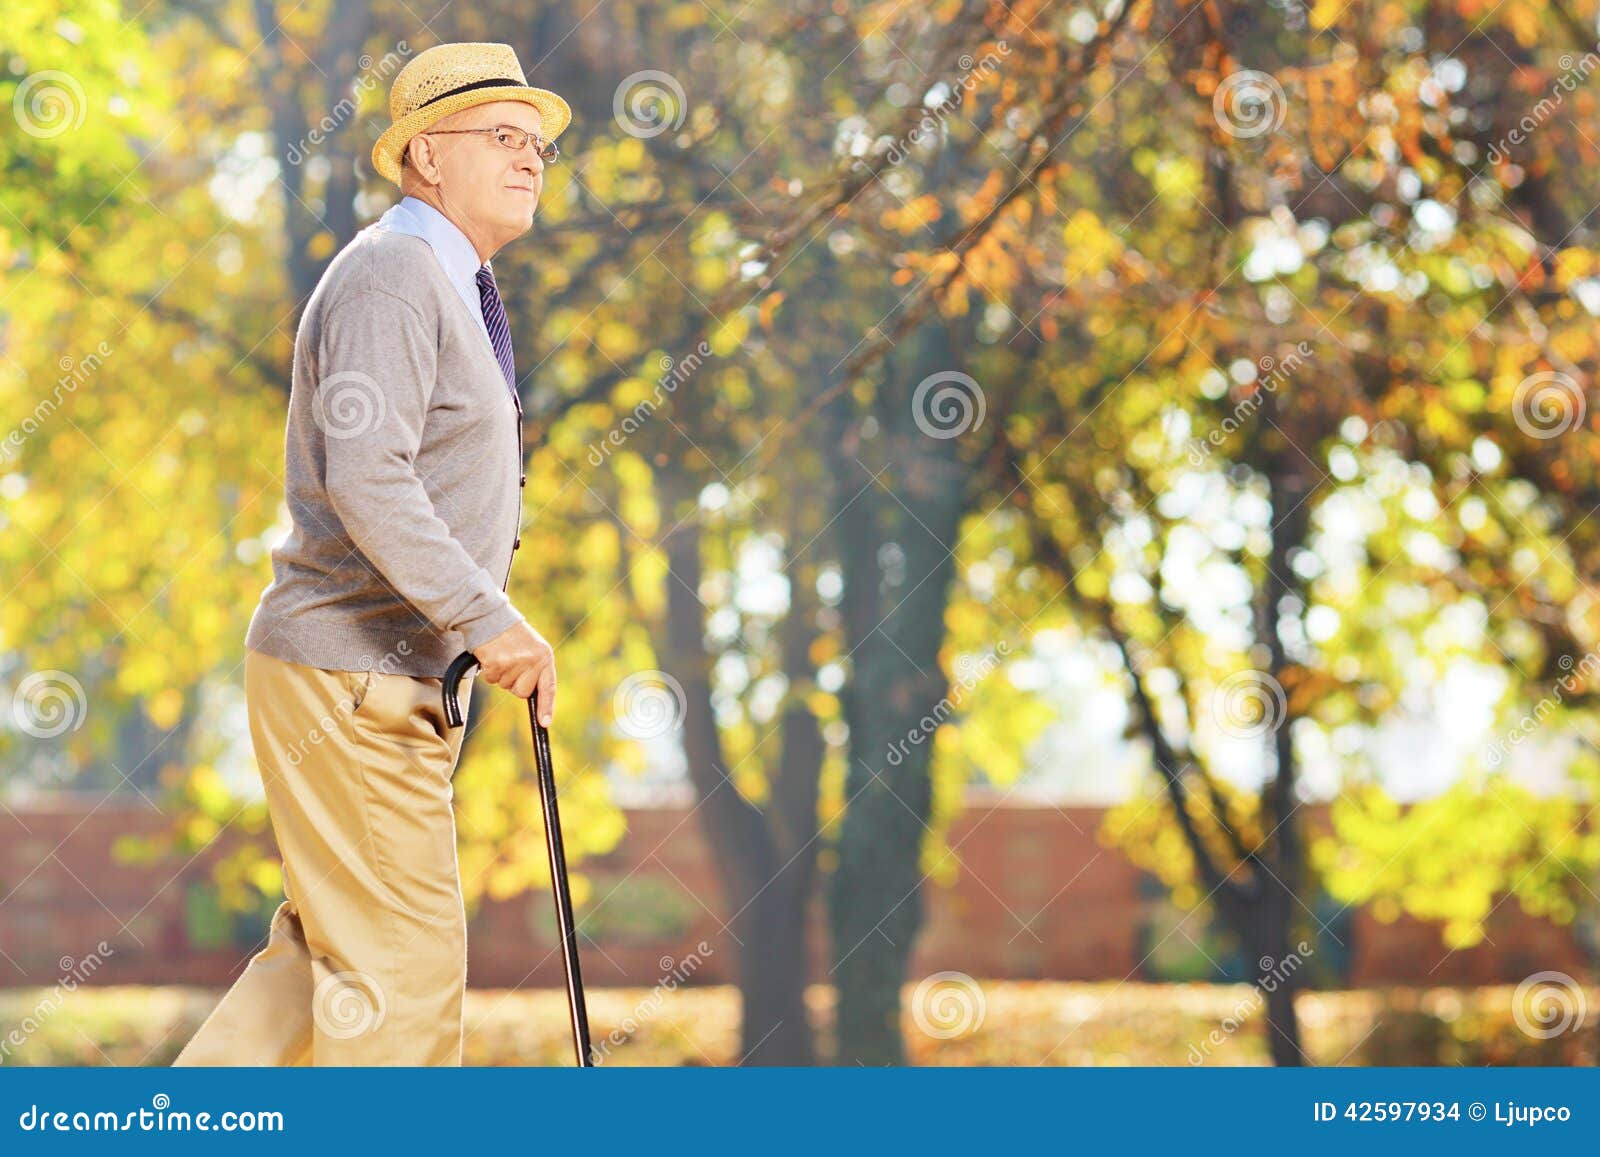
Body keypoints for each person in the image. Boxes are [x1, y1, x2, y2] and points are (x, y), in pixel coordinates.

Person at [173, 41, 570, 1067]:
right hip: (353, 674)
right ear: (427, 156)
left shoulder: (449, 282)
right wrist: (488, 619)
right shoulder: (396, 277)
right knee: (401, 981)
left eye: (537, 144)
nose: (530, 158)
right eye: (501, 135)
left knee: (320, 973)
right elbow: (367, 475)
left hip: (377, 675)